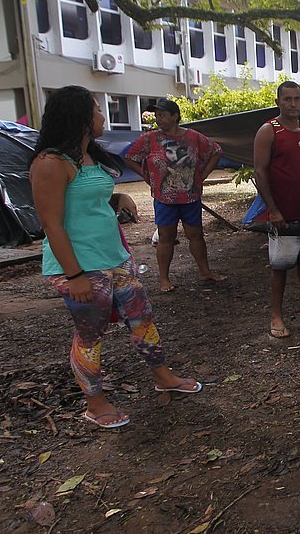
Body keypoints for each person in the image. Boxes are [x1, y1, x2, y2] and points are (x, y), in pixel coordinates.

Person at [30, 86, 201, 430]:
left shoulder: (88, 156)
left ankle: (163, 377)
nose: (102, 116)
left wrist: (117, 198)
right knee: (90, 334)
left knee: (142, 319)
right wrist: (74, 275)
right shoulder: (50, 163)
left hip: (114, 258)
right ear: (79, 116)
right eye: (97, 110)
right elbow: (51, 223)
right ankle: (95, 404)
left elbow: (84, 200)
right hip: (81, 266)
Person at [124, 99, 225, 292]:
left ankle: (205, 271)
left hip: (190, 196)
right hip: (164, 198)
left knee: (196, 235)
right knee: (165, 237)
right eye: (157, 116)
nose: (158, 119)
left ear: (175, 116)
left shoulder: (193, 137)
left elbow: (216, 151)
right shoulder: (149, 138)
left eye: (162, 115)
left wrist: (203, 175)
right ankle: (164, 279)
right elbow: (130, 158)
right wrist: (146, 175)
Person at [253, 81, 300, 338]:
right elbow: (260, 172)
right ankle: (277, 315)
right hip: (282, 211)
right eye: (287, 99)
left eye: (297, 99)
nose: (293, 104)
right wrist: (272, 209)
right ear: (278, 102)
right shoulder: (269, 131)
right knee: (280, 265)